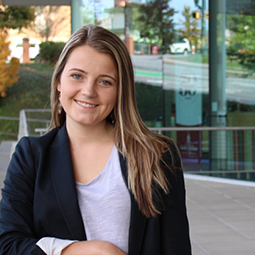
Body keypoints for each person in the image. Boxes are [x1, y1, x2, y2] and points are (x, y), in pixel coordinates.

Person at [0, 24, 191, 255]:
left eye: (105, 81)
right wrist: (89, 251)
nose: (88, 91)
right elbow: (8, 245)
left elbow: (176, 247)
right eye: (77, 76)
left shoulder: (157, 155)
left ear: (121, 91)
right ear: (59, 81)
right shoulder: (30, 156)